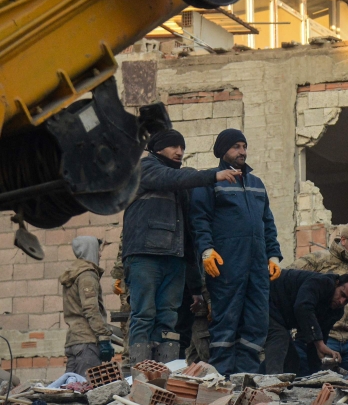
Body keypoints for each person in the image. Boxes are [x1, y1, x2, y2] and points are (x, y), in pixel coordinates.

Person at [122, 129, 238, 364]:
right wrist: (213, 175)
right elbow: (173, 177)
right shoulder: (145, 168)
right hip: (145, 256)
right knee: (144, 315)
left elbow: (188, 238)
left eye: (182, 147)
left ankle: (162, 371)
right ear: (157, 148)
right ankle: (140, 371)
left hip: (174, 259)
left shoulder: (181, 185)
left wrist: (195, 287)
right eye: (174, 146)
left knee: (168, 318)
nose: (179, 152)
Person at [189, 129, 282, 375]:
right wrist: (206, 250)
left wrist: (273, 255)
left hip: (257, 266)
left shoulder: (257, 184)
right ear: (223, 151)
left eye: (244, 146)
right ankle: (222, 376)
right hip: (227, 263)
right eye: (236, 147)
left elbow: (267, 222)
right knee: (226, 320)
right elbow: (200, 220)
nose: (242, 151)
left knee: (257, 320)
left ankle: (246, 376)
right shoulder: (211, 182)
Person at [289, 218, 348, 380]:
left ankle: (345, 387)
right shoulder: (320, 260)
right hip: (324, 336)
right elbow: (291, 280)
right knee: (314, 374)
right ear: (343, 240)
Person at [263, 270, 348, 375]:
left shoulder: (336, 312)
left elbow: (316, 342)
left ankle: (259, 379)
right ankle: (271, 383)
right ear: (337, 283)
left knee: (291, 361)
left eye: (347, 301)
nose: (341, 301)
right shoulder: (322, 283)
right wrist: (319, 344)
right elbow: (303, 307)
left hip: (280, 317)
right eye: (342, 294)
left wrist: (317, 375)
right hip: (264, 300)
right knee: (279, 338)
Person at [60, 236, 116, 376]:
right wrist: (103, 337)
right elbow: (91, 309)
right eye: (98, 250)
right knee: (87, 386)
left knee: (72, 386)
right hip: (87, 343)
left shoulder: (74, 274)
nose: (100, 254)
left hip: (74, 341)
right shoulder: (87, 275)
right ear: (90, 250)